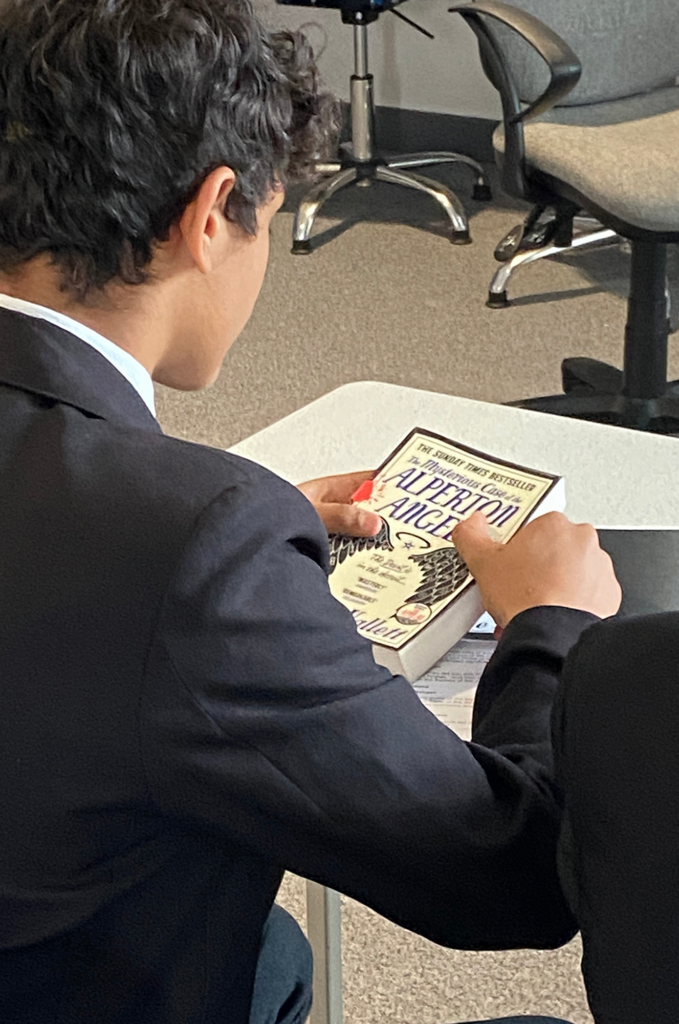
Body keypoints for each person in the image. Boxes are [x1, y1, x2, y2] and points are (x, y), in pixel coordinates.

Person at [0, 1, 621, 1023]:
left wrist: (189, 524)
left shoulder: (177, 533)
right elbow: (513, 869)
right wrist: (548, 626)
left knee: (274, 946)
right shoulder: (198, 549)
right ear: (213, 214)